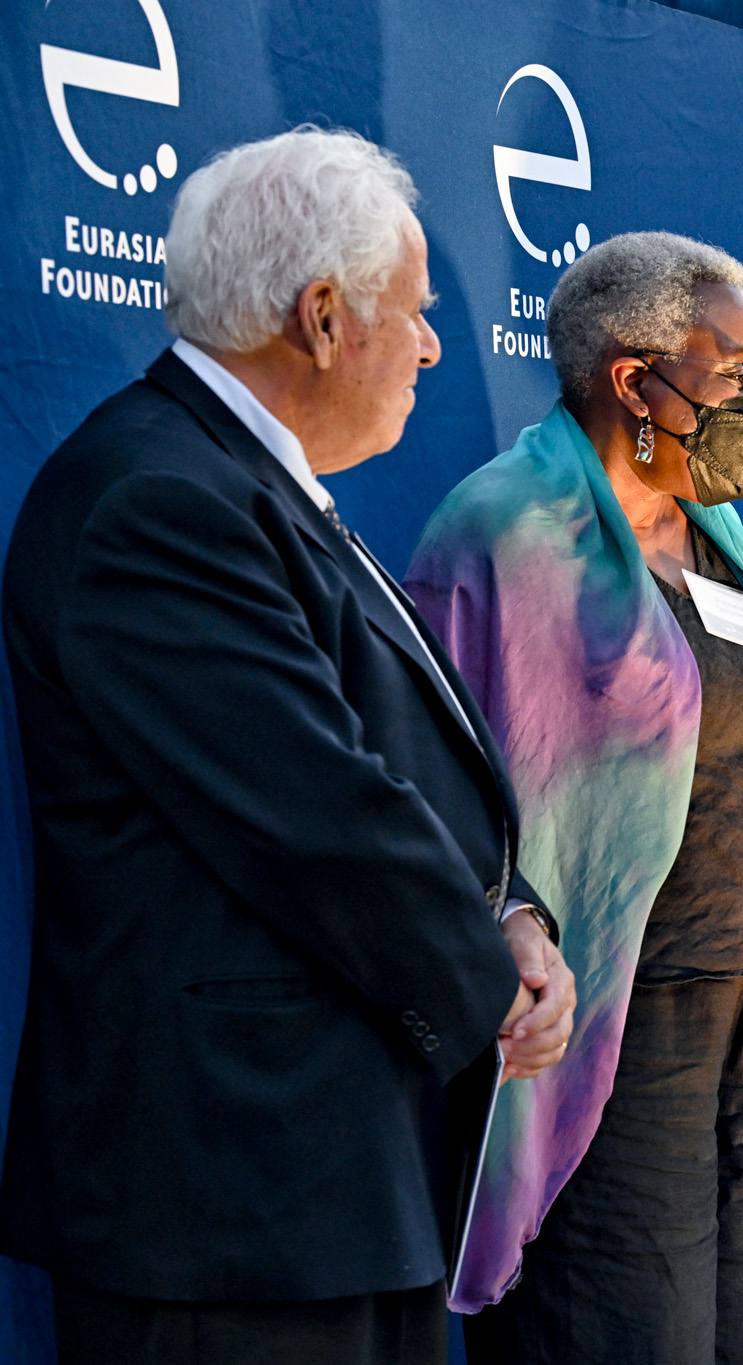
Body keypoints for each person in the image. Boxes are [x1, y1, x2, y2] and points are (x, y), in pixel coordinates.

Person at [0, 128, 575, 1365]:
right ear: (322, 317)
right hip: (232, 1208)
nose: (430, 344)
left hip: (331, 1191)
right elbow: (321, 820)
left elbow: (412, 766)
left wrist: (516, 917)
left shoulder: (244, 487)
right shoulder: (155, 501)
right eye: (414, 312)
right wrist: (490, 985)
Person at [404, 232, 743, 1365]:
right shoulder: (502, 530)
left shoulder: (717, 532)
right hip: (613, 1018)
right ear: (631, 377)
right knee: (618, 1330)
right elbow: (436, 795)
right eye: (731, 373)